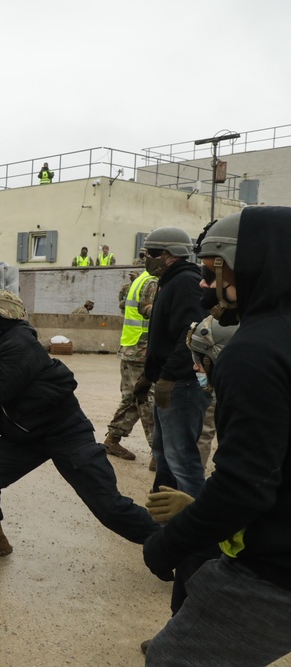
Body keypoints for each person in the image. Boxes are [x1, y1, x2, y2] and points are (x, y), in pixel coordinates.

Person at [142, 207, 291, 665]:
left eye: (212, 271)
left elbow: (245, 484)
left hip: (275, 572)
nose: (204, 284)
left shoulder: (254, 350)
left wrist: (168, 542)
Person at [0, 290, 159, 559]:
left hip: (64, 431)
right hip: (24, 434)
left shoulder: (19, 343)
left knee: (108, 506)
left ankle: (173, 543)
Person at [136, 226, 209, 498]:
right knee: (165, 455)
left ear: (169, 254)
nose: (147, 259)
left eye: (151, 253)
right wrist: (151, 374)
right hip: (171, 381)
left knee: (182, 459)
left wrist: (169, 376)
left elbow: (191, 334)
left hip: (183, 385)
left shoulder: (186, 282)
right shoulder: (171, 281)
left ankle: (195, 528)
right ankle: (164, 517)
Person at [102, 268, 158, 461]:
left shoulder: (143, 279)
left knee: (132, 399)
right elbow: (155, 314)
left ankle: (113, 439)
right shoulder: (152, 282)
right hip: (141, 349)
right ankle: (159, 453)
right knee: (147, 400)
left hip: (132, 346)